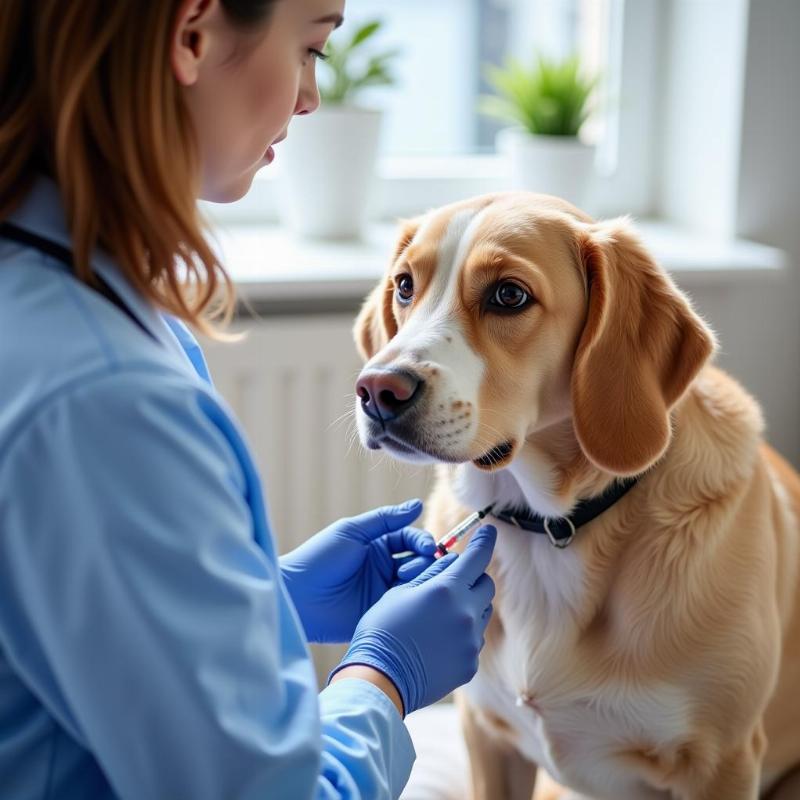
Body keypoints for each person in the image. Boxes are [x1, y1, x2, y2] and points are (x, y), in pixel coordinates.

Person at [0, 1, 498, 798]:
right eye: (309, 48)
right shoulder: (104, 400)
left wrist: (272, 596)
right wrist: (382, 680)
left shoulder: (70, 295)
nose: (309, 97)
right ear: (192, 34)